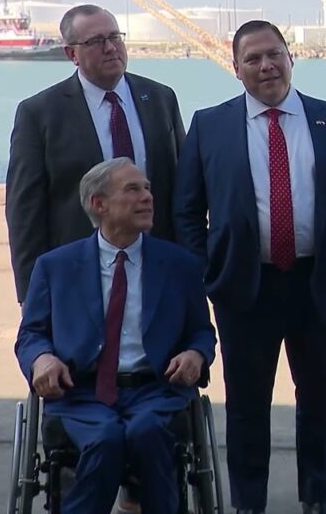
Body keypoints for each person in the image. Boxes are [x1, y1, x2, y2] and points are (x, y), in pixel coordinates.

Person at [174, 20, 326, 514]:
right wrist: (205, 273)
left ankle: (319, 497)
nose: (266, 66)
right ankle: (248, 502)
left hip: (316, 283)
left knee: (321, 402)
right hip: (243, 287)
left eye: (274, 54)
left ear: (291, 58)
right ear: (235, 69)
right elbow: (187, 210)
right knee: (248, 406)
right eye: (253, 59)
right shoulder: (209, 125)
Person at [14, 158, 216, 514]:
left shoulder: (179, 265)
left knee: (147, 434)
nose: (147, 197)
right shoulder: (55, 266)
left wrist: (196, 355)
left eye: (148, 188)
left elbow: (201, 331)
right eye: (133, 189)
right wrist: (41, 358)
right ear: (98, 204)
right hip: (81, 392)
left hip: (155, 389)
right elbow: (31, 333)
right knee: (104, 439)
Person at [6, 4, 185, 305]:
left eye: (115, 36)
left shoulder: (160, 98)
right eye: (95, 41)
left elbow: (182, 189)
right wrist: (31, 294)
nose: (110, 48)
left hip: (158, 266)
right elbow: (24, 211)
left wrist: (190, 265)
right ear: (71, 54)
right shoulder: (40, 113)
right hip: (79, 277)